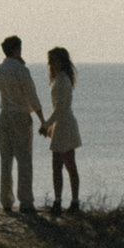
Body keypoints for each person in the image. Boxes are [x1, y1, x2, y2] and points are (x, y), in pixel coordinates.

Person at [0, 36, 45, 214]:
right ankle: (26, 201)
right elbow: (32, 97)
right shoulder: (22, 71)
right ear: (17, 50)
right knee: (24, 160)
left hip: (4, 114)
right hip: (21, 115)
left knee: (6, 159)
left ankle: (6, 200)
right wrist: (42, 120)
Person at [43, 45, 83, 212]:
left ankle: (67, 201)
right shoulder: (62, 79)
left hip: (64, 125)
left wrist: (47, 124)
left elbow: (60, 109)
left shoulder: (61, 81)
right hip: (64, 124)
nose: (50, 64)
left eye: (52, 60)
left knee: (65, 165)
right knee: (63, 165)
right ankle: (65, 201)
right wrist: (52, 125)